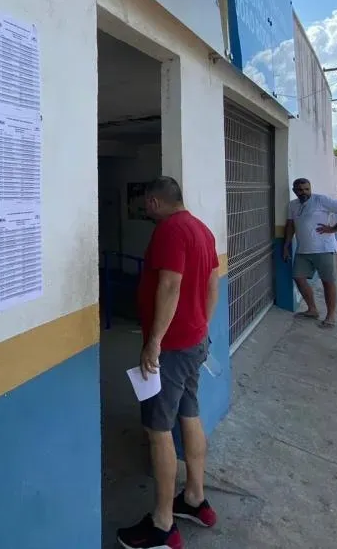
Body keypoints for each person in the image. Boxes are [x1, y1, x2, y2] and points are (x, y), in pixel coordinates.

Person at [117, 176, 221, 549]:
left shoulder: (170, 231)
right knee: (188, 415)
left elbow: (170, 285)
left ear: (157, 202)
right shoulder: (202, 230)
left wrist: (154, 344)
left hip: (173, 348)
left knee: (158, 431)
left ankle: (162, 526)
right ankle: (194, 497)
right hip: (193, 342)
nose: (145, 210)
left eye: (146, 204)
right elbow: (213, 282)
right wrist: (202, 328)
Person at [282, 178, 337, 328]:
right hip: (303, 250)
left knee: (327, 282)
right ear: (294, 191)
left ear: (310, 188)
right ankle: (312, 309)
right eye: (299, 190)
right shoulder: (293, 205)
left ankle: (330, 316)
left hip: (323, 248)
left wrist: (334, 229)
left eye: (306, 189)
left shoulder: (321, 200)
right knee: (298, 277)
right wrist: (286, 245)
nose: (303, 192)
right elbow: (290, 225)